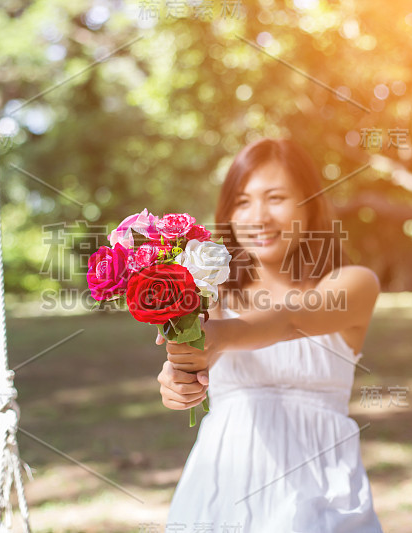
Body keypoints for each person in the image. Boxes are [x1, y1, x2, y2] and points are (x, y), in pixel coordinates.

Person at [155, 137, 385, 532]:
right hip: (220, 494)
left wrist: (223, 336)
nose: (257, 216)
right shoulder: (210, 295)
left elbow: (292, 319)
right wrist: (177, 380)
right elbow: (193, 361)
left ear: (311, 206)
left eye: (275, 198)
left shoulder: (353, 284)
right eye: (242, 202)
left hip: (321, 494)